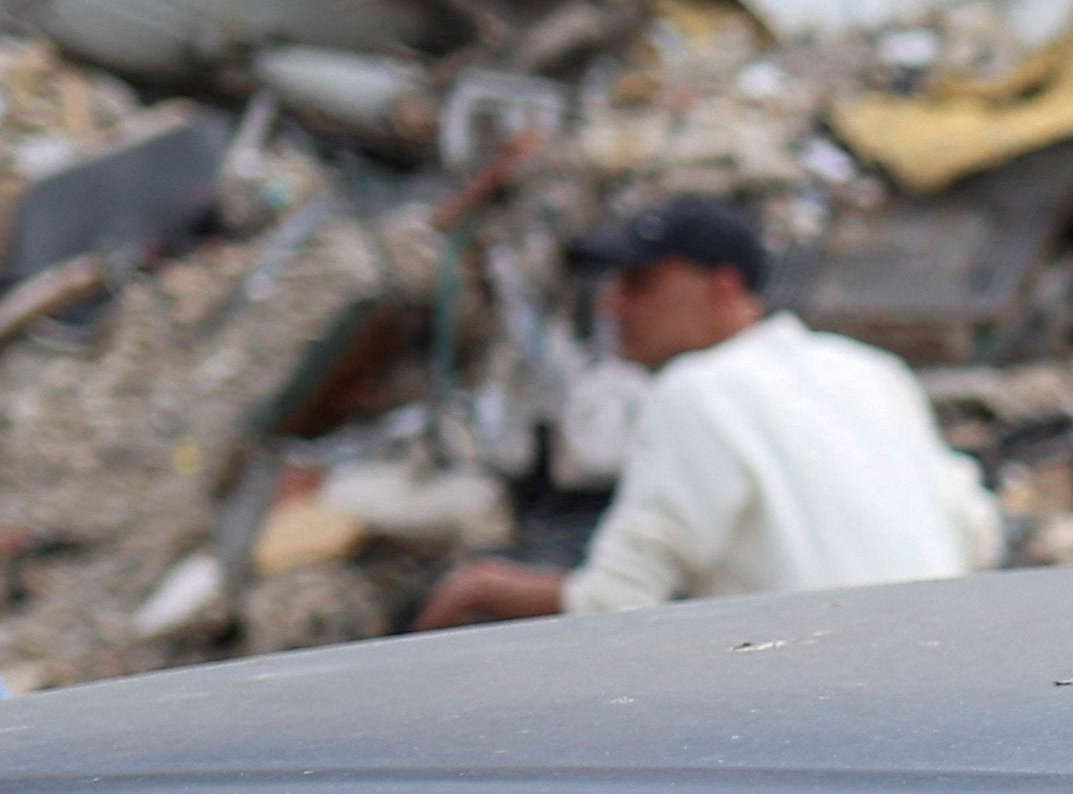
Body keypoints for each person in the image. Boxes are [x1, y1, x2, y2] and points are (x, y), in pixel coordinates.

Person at [412, 201, 995, 629]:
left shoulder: (697, 390)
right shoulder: (868, 370)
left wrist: (477, 586)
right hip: (937, 684)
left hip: (815, 711)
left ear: (724, 287)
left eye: (641, 283)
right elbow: (977, 535)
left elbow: (616, 603)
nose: (613, 304)